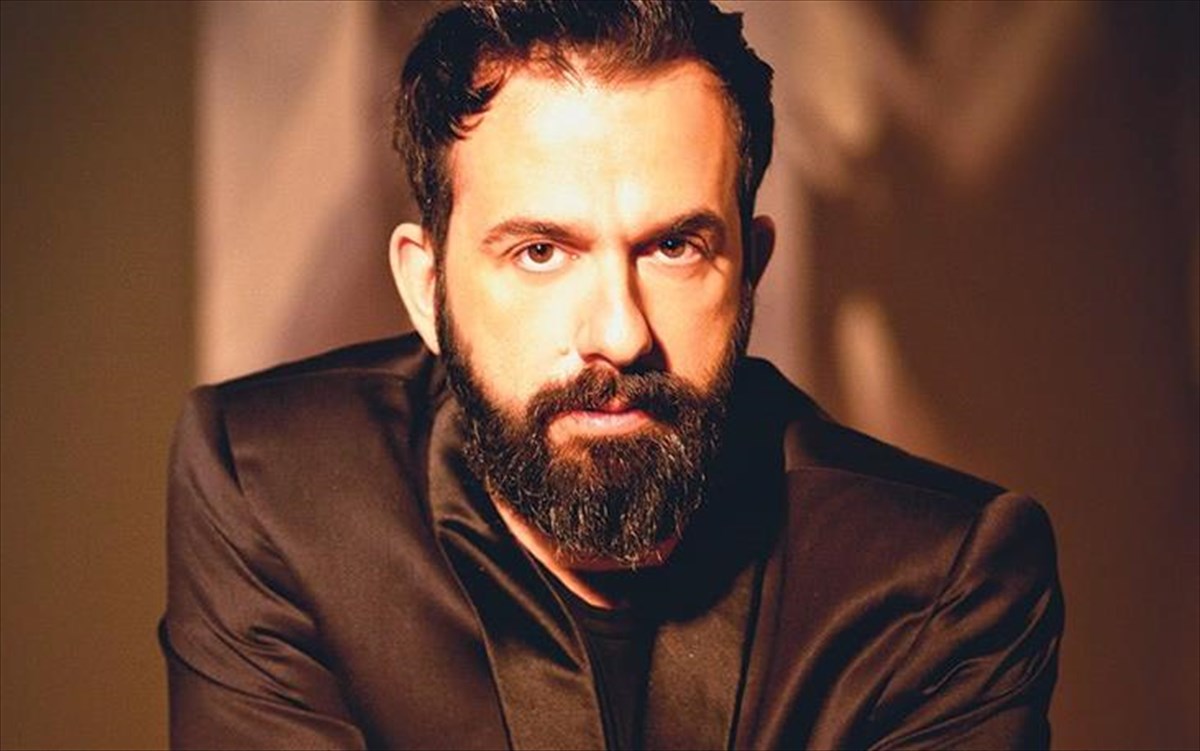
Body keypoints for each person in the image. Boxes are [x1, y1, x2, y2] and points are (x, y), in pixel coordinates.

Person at [160, 1, 1063, 748]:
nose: (621, 335)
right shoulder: (273, 491)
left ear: (750, 268)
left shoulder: (940, 579)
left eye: (674, 247)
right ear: (426, 289)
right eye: (541, 251)